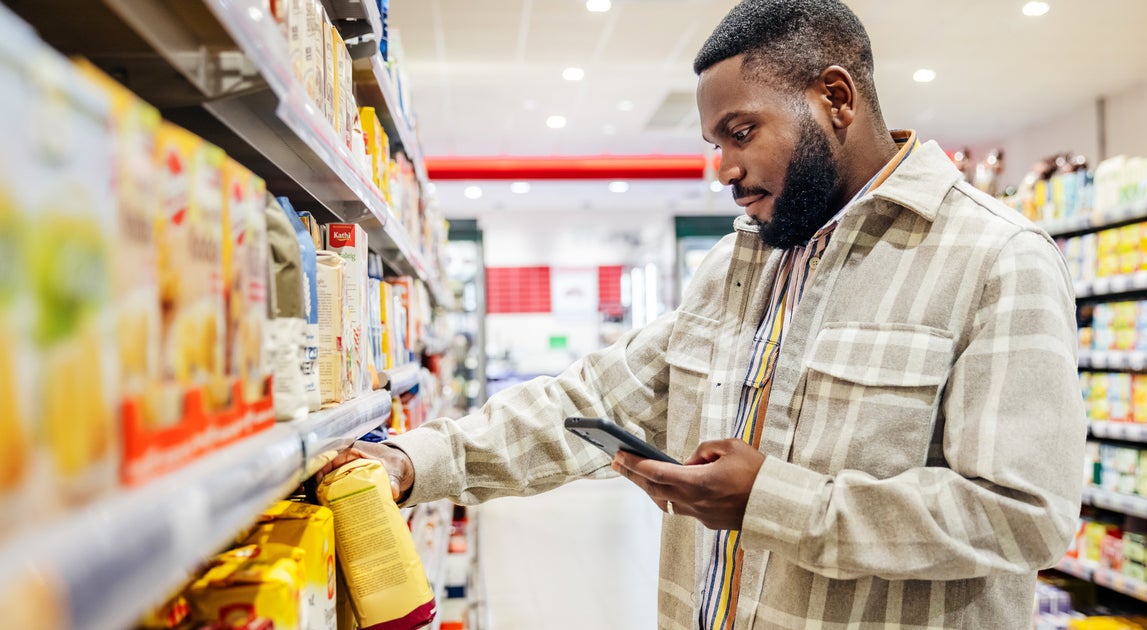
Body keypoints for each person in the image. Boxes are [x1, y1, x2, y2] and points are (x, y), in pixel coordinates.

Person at [323, 0, 1087, 627]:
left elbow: (1023, 514)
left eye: (741, 132)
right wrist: (412, 460)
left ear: (835, 97)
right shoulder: (737, 266)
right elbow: (587, 400)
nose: (720, 167)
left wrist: (772, 500)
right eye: (712, 141)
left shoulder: (996, 258)